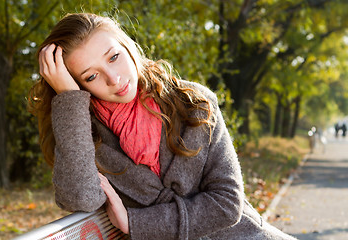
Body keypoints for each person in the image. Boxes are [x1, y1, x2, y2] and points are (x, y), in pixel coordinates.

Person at [29, 13, 297, 240]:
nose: (114, 78)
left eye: (113, 57)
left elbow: (226, 205)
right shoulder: (87, 136)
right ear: (78, 86)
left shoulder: (193, 103)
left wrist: (136, 223)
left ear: (128, 45)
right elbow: (81, 199)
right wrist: (68, 100)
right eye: (91, 75)